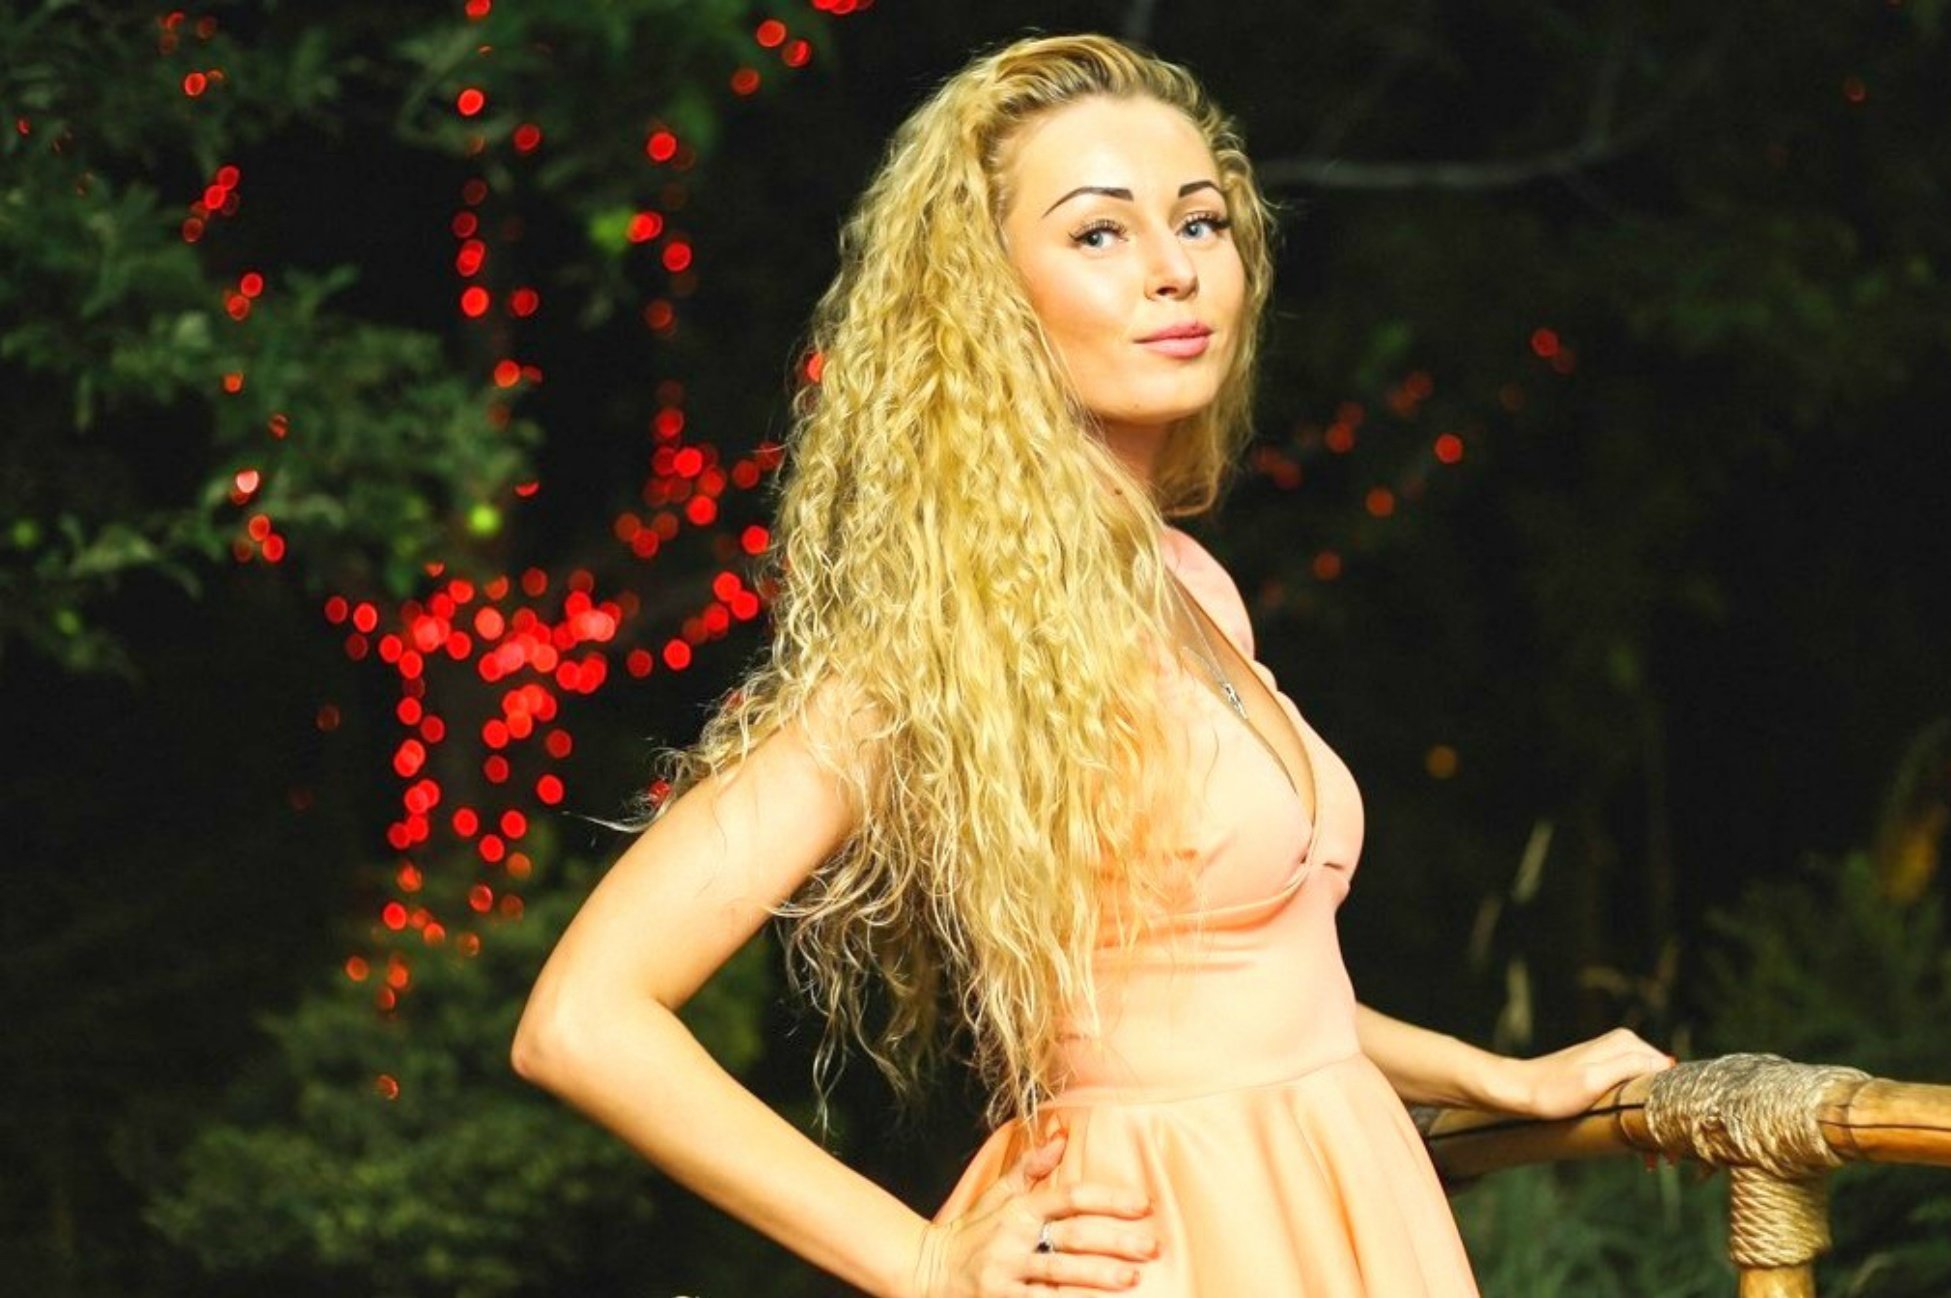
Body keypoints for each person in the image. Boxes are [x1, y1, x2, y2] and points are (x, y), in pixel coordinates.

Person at [512, 32, 1673, 1297]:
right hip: (1148, 1242)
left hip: (1326, 1196)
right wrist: (920, 1254)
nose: (1175, 268)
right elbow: (584, 1016)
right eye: (1099, 232)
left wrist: (1490, 1074)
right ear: (987, 299)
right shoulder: (951, 629)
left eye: (1200, 221)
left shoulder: (1188, 582)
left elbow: (1232, 993)